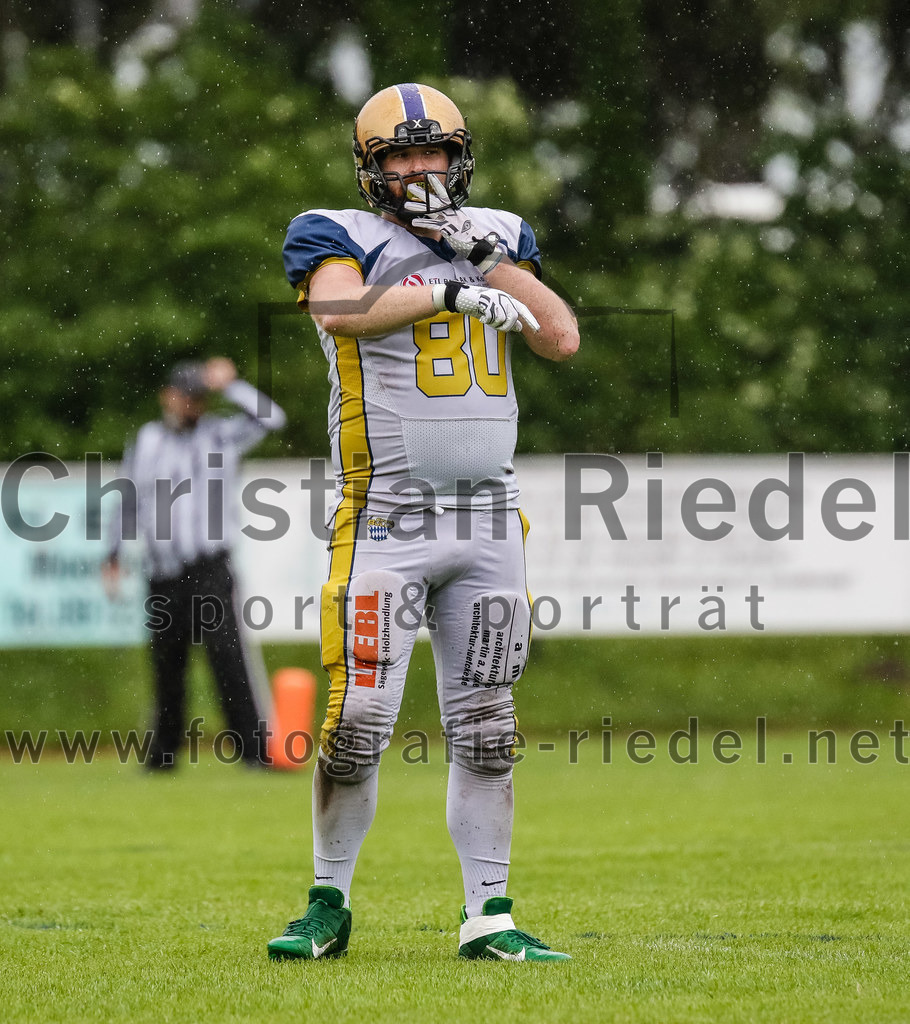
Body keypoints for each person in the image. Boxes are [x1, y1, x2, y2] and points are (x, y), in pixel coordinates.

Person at [268, 83, 579, 962]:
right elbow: (343, 312)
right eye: (399, 155)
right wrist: (447, 289)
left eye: (431, 150)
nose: (419, 168)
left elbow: (559, 336)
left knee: (487, 727)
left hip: (488, 522)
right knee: (359, 720)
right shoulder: (334, 232)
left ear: (458, 155)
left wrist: (483, 260)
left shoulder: (500, 232)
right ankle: (328, 902)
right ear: (371, 168)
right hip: (386, 516)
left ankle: (489, 916)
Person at [102, 356, 287, 769]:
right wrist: (112, 552)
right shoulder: (147, 440)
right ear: (167, 396)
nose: (193, 404)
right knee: (167, 663)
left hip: (209, 567)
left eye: (199, 397)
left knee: (228, 658)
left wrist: (230, 386)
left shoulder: (220, 434)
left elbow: (272, 419)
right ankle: (163, 756)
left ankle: (253, 752)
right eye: (186, 396)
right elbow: (128, 499)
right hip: (163, 570)